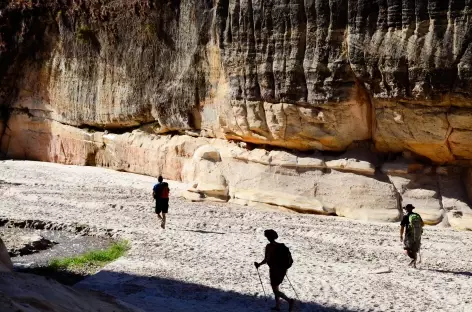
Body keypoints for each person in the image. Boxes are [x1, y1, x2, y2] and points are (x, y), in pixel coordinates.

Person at [255, 229, 295, 312]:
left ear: (268, 237)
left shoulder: (269, 247)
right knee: (276, 288)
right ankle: (277, 306)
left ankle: (289, 301)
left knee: (275, 290)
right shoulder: (281, 246)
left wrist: (259, 264)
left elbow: (266, 259)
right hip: (282, 270)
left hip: (274, 270)